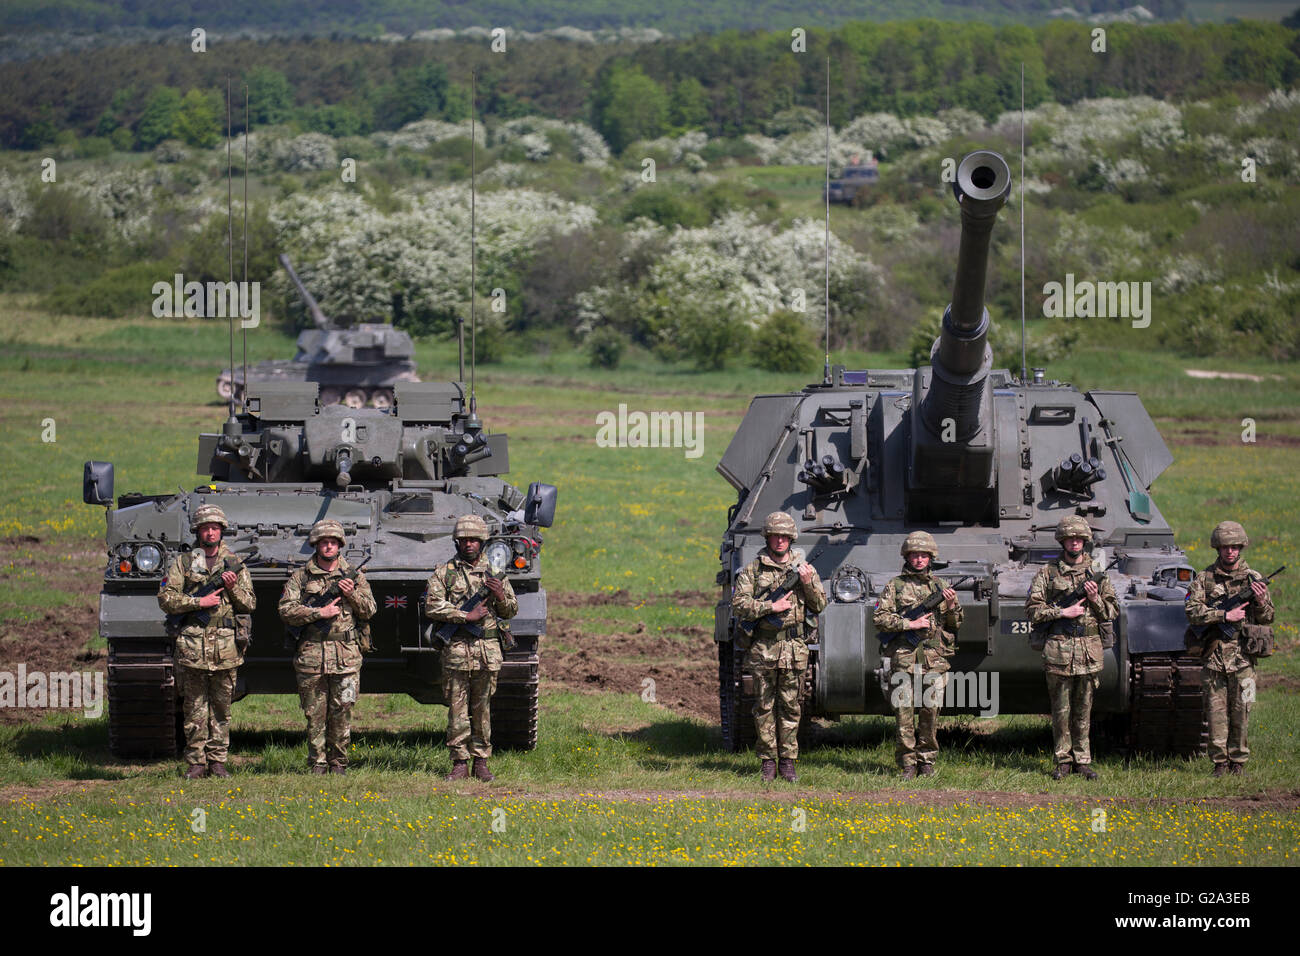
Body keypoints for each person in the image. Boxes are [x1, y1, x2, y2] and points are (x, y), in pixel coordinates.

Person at [157, 503, 255, 779]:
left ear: (221, 531)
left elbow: (249, 603)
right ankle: (196, 763)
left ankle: (218, 762)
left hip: (225, 647)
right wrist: (199, 601)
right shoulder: (185, 563)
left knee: (222, 710)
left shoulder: (235, 564)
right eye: (205, 528)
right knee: (194, 708)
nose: (210, 533)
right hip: (193, 647)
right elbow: (166, 598)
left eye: (214, 528)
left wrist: (233, 587)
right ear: (198, 531)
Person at [731, 511, 827, 783]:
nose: (780, 541)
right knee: (763, 706)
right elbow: (739, 605)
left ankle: (787, 761)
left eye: (785, 537)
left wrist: (807, 584)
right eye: (776, 536)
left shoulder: (805, 570)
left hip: (794, 648)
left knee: (791, 707)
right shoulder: (753, 570)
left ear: (791, 538)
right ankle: (767, 762)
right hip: (763, 648)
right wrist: (770, 607)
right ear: (768, 538)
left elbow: (819, 605)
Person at [423, 514, 518, 782]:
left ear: (482, 542)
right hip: (456, 649)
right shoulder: (445, 573)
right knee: (457, 708)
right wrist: (465, 616)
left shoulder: (495, 575)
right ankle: (459, 762)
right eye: (463, 540)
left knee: (482, 708)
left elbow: (510, 610)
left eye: (474, 540)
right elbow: (432, 605)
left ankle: (481, 761)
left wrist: (499, 595)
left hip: (487, 652)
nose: (468, 544)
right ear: (457, 542)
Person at [278, 519, 376, 775]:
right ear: (316, 545)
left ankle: (339, 763)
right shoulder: (301, 577)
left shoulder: (355, 576)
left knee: (342, 711)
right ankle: (318, 762)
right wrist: (318, 612)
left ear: (339, 545)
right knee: (314, 713)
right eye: (324, 542)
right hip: (312, 655)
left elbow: (370, 610)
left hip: (345, 656)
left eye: (333, 542)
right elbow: (285, 610)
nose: (328, 546)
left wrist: (352, 593)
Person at [1026, 516, 1118, 780]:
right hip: (1059, 650)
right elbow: (1032, 610)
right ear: (1062, 541)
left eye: (1079, 538)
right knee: (1061, 710)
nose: (1075, 542)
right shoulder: (1048, 573)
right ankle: (1062, 761)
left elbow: (1112, 611)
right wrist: (1062, 611)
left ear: (1085, 541)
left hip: (1088, 651)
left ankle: (1083, 761)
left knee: (1084, 710)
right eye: (1070, 538)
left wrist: (1095, 599)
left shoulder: (1098, 575)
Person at [1184, 520, 1274, 776]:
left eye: (1235, 547)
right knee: (1215, 713)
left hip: (1244, 661)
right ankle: (1220, 763)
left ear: (1241, 548)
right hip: (1214, 658)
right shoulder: (1204, 579)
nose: (1230, 552)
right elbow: (1191, 610)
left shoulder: (1253, 579)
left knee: (1242, 711)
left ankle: (1239, 762)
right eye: (1225, 547)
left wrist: (1260, 601)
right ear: (1217, 548)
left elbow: (1268, 617)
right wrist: (1224, 615)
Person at [873, 532, 962, 779]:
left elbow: (955, 624)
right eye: (915, 555)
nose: (919, 559)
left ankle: (927, 762)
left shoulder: (941, 588)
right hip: (903, 658)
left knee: (930, 711)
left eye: (924, 555)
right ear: (907, 557)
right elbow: (879, 618)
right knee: (903, 712)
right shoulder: (896, 586)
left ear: (931, 557)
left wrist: (953, 606)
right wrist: (908, 625)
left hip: (934, 659)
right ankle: (907, 763)